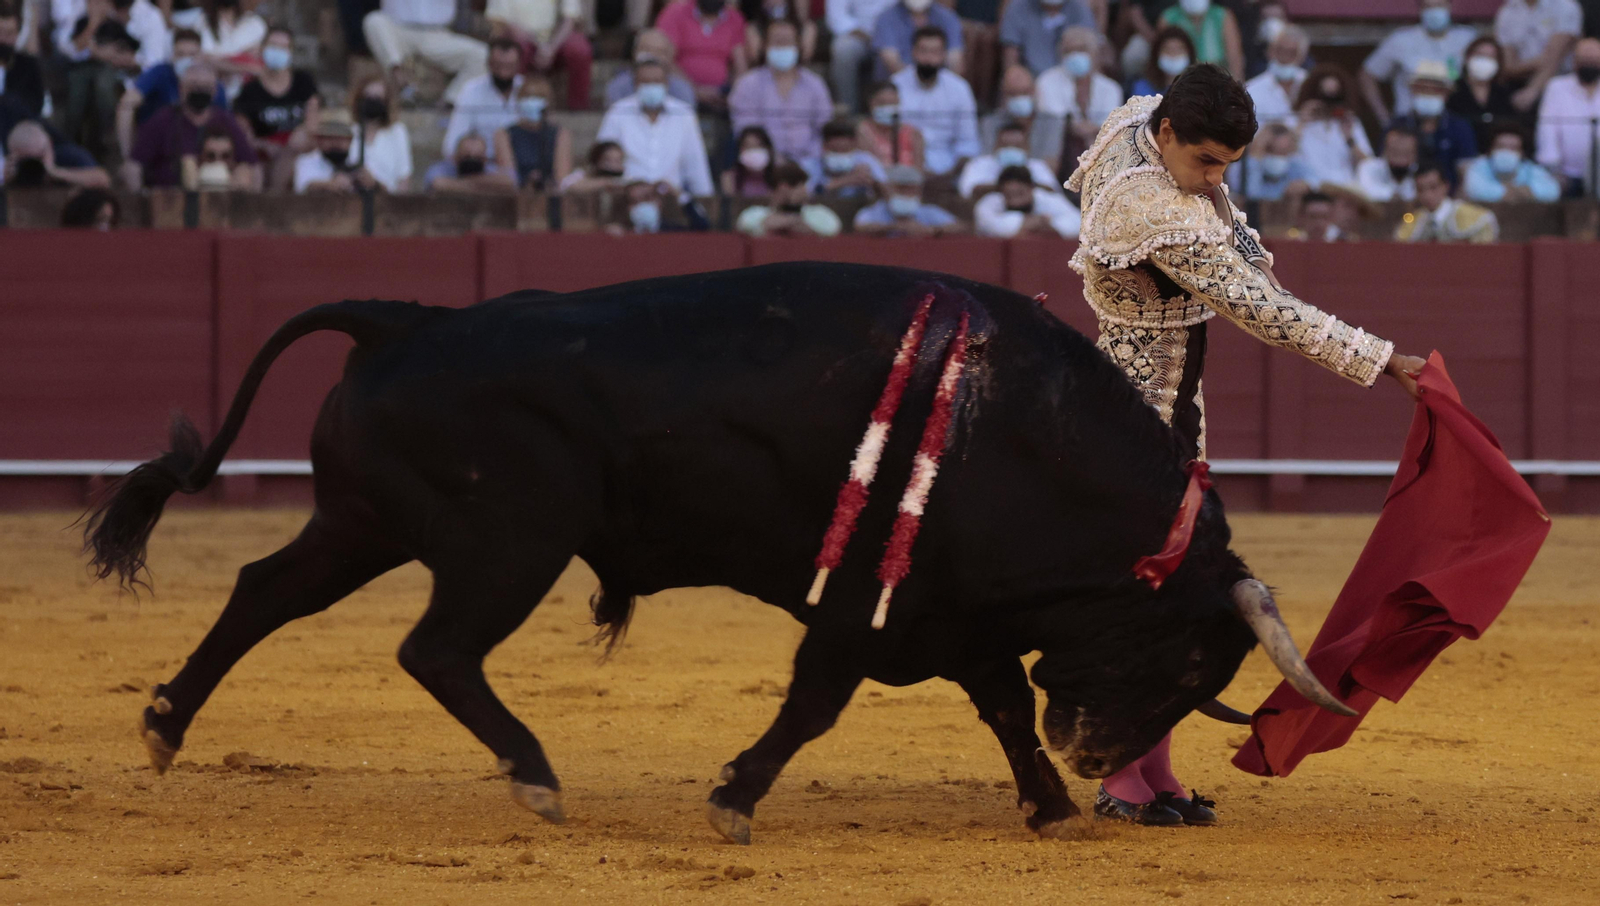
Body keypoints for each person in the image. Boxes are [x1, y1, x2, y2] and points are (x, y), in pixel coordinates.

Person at [1066, 66, 1426, 826]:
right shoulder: (1150, 208)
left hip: (1161, 408)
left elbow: (1239, 264)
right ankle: (1120, 777)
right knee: (1145, 596)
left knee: (1171, 591)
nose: (1214, 181)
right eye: (1204, 162)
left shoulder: (1138, 123)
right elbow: (1262, 308)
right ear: (1167, 136)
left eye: (1227, 166)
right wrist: (1382, 357)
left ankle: (1152, 772)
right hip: (1141, 420)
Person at [124, 61, 259, 189]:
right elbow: (134, 164)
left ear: (215, 91)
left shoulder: (226, 121)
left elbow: (252, 165)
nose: (199, 91)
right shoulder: (163, 119)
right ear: (181, 89)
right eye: (194, 86)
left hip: (218, 200)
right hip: (169, 200)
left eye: (205, 87)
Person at [596, 57, 715, 195]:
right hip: (627, 198)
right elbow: (602, 160)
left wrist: (705, 201)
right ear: (635, 84)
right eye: (645, 82)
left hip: (671, 199)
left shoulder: (683, 114)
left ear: (666, 83)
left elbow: (696, 166)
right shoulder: (618, 112)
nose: (651, 86)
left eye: (657, 82)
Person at [729, 17, 832, 163]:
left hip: (810, 162)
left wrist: (809, 160)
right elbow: (745, 130)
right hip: (764, 164)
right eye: (777, 41)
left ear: (798, 45)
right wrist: (773, 159)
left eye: (788, 41)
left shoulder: (815, 84)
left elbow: (824, 127)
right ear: (765, 46)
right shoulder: (747, 84)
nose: (783, 46)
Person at [232, 25, 320, 191]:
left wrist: (292, 145)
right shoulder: (250, 89)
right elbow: (242, 132)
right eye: (273, 46)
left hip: (297, 150)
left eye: (283, 47)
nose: (277, 51)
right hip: (264, 153)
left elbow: (312, 123)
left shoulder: (303, 82)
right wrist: (263, 145)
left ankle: (274, 198)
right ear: (263, 48)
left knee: (293, 148)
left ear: (291, 52)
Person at [1359, 0, 1476, 124]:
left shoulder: (1467, 38)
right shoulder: (1401, 39)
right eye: (1428, 6)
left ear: (1450, 6)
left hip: (1454, 124)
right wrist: (1384, 118)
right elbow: (1367, 74)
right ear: (1420, 9)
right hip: (1408, 125)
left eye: (1439, 5)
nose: (1434, 12)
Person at [889, 26, 979, 176]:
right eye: (923, 51)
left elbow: (968, 140)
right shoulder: (896, 85)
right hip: (904, 163)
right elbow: (888, 134)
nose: (928, 59)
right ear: (913, 52)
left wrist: (951, 173)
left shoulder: (959, 88)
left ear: (944, 55)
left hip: (948, 164)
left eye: (935, 52)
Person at [362, 0, 489, 104]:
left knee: (483, 55)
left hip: (438, 34)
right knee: (374, 21)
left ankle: (450, 102)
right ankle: (402, 83)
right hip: (397, 28)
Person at [1036, 27, 1124, 163]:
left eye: (1081, 49)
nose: (1075, 55)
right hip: (1062, 145)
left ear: (1094, 54)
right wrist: (1082, 129)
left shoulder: (1111, 88)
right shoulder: (1046, 80)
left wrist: (1090, 132)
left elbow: (1111, 121)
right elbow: (1055, 117)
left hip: (1099, 142)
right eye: (1069, 51)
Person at [485, 0, 592, 109]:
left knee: (580, 50)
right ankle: (514, 107)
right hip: (519, 39)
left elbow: (570, 19)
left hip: (554, 40)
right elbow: (504, 22)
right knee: (517, 50)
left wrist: (551, 47)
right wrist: (539, 46)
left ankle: (578, 108)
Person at [1389, 60, 1477, 192]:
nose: (1429, 94)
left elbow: (1466, 174)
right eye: (1423, 89)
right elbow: (1384, 167)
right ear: (1413, 91)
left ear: (1446, 94)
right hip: (1406, 198)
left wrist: (1454, 207)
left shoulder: (1460, 127)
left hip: (1450, 200)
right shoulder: (1396, 125)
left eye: (1435, 90)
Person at [1535, 36, 1600, 197]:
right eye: (1584, 59)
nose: (1589, 64)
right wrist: (1552, 168)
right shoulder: (1557, 87)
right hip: (1565, 174)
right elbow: (1547, 127)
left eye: (1594, 60)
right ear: (1574, 62)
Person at [442, 39, 525, 160]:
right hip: (482, 165)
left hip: (521, 163)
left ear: (518, 65)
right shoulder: (471, 90)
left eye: (509, 66)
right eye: (498, 66)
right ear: (488, 63)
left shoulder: (528, 89)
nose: (503, 73)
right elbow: (452, 143)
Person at [655, 0, 747, 107]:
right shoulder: (675, 13)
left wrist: (734, 93)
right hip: (678, 93)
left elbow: (740, 65)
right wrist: (693, 89)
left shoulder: (735, 18)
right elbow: (665, 58)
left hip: (720, 96)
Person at [1292, 65, 1371, 189]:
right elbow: (1285, 155)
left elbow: (1368, 164)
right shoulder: (1297, 122)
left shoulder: (1351, 123)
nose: (1327, 106)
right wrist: (1301, 124)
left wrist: (1349, 139)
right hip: (1310, 187)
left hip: (1344, 188)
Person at [1496, 0, 1583, 111]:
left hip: (1559, 80)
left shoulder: (1565, 6)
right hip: (1518, 80)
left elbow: (1556, 55)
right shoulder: (1508, 10)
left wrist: (1533, 90)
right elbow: (1507, 64)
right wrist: (1541, 61)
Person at [1448, 37, 1533, 152]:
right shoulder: (1452, 91)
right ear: (1467, 57)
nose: (1484, 60)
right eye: (1480, 55)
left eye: (1491, 57)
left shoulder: (1506, 95)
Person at [493, 76, 571, 192]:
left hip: (551, 194)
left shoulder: (560, 134)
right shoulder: (504, 134)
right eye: (528, 97)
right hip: (517, 196)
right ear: (519, 100)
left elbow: (563, 179)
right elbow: (508, 176)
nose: (532, 101)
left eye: (538, 97)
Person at [1396, 161, 1499, 242]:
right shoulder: (1412, 220)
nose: (1427, 195)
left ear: (1446, 186)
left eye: (1433, 187)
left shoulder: (1477, 218)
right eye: (1420, 189)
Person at [1463, 120, 1562, 203]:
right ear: (1491, 150)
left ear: (1522, 153)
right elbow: (1473, 189)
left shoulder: (1529, 168)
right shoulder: (1480, 166)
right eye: (1501, 147)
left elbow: (1553, 191)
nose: (1506, 152)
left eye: (1513, 148)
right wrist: (1512, 192)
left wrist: (1527, 191)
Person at [736, 159, 843, 236]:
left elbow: (833, 229)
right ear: (775, 189)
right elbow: (743, 225)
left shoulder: (819, 213)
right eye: (785, 187)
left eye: (794, 185)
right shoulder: (755, 213)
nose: (789, 191)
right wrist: (767, 223)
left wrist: (802, 225)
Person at [826, 0, 898, 110]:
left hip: (892, 33)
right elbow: (837, 17)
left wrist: (884, 37)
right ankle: (848, 109)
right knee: (843, 49)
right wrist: (869, 37)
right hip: (858, 35)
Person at [957, 119, 1057, 198]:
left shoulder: (1038, 166)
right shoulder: (978, 164)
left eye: (1016, 146)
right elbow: (968, 192)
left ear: (1027, 149)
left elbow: (1051, 192)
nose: (1011, 150)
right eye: (1005, 146)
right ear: (995, 147)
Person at [973, 163, 1080, 237]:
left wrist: (1052, 226)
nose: (1015, 199)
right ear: (1001, 192)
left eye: (1020, 193)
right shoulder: (989, 203)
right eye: (1010, 194)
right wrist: (1027, 222)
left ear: (1031, 188)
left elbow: (1078, 222)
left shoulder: (1046, 198)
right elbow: (991, 226)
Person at [853, 162, 961, 234]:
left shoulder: (927, 211)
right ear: (887, 190)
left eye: (911, 190)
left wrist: (931, 230)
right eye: (901, 189)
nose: (906, 194)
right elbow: (860, 226)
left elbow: (960, 227)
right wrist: (894, 227)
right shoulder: (875, 211)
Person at [348, 75, 413, 193]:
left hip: (387, 201)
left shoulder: (397, 132)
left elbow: (404, 179)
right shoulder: (351, 132)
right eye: (368, 97)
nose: (372, 102)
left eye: (377, 98)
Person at [2, 118, 110, 188]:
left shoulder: (69, 155)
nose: (35, 164)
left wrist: (56, 172)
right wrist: (7, 181)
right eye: (28, 159)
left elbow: (103, 180)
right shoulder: (14, 170)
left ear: (50, 144)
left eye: (39, 157)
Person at [998, 0, 1093, 76]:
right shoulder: (1018, 6)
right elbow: (1010, 57)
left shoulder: (1079, 7)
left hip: (1071, 78)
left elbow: (1093, 51)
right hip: (1030, 80)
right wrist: (1015, 78)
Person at [873, 0, 963, 80]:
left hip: (939, 85)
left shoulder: (948, 18)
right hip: (897, 88)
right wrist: (918, 87)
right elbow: (891, 62)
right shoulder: (885, 19)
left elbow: (955, 62)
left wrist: (939, 87)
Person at [604, 30, 697, 107]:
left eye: (660, 52)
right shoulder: (618, 88)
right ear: (634, 53)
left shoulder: (682, 90)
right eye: (646, 50)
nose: (652, 56)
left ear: (670, 58)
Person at [1156, 0, 1242, 80]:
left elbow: (1235, 60)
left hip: (1219, 81)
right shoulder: (1168, 18)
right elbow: (1158, 56)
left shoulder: (1222, 15)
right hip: (1181, 82)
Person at [295, 112, 378, 193]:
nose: (335, 142)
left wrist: (373, 184)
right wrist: (330, 185)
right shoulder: (306, 161)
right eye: (330, 137)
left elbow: (386, 189)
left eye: (341, 138)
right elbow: (304, 187)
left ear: (350, 140)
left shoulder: (359, 161)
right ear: (319, 139)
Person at [1244, 22, 1307, 128]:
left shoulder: (1312, 85)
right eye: (1280, 51)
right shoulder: (1251, 90)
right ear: (1269, 52)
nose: (1285, 58)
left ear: (1302, 56)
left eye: (1292, 53)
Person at [804, 117, 885, 198]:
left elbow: (884, 185)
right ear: (824, 146)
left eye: (845, 150)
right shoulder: (810, 164)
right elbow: (806, 193)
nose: (840, 154)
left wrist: (872, 182)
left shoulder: (866, 160)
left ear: (854, 145)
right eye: (835, 150)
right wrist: (846, 180)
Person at [857, 79, 924, 168]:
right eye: (882, 103)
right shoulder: (862, 131)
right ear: (870, 103)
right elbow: (868, 166)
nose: (888, 108)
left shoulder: (913, 133)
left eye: (892, 103)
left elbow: (919, 171)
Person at [1240, 121, 1311, 202]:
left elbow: (1315, 182)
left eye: (1283, 152)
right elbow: (1251, 193)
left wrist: (1305, 186)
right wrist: (1255, 159)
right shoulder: (1244, 165)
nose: (1277, 157)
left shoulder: (1295, 165)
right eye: (1271, 151)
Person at [426, 132, 517, 194]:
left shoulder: (489, 169)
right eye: (467, 156)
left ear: (485, 159)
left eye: (477, 157)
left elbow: (509, 181)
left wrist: (460, 184)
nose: (472, 159)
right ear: (455, 158)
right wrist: (484, 185)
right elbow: (437, 184)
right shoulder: (442, 168)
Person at [0, 1, 46, 117]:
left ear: (17, 35)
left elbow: (36, 104)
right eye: (0, 33)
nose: (4, 39)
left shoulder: (28, 67)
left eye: (9, 33)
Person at [1355, 125, 1419, 203]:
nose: (1400, 159)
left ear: (1415, 155)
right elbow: (1366, 193)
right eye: (1395, 152)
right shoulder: (1367, 167)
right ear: (1385, 151)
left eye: (1406, 153)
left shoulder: (1419, 173)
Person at [744, 0, 816, 66]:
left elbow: (805, 56)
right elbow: (756, 57)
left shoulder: (806, 28)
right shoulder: (753, 28)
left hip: (797, 71)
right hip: (763, 71)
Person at [1131, 26, 1195, 97]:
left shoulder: (1199, 88)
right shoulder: (1142, 87)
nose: (1173, 55)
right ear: (1157, 55)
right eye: (1168, 50)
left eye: (1179, 49)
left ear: (1190, 54)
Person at [722, 124, 776, 197]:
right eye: (748, 146)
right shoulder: (730, 178)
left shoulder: (778, 176)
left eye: (758, 146)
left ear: (768, 149)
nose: (753, 152)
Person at [558, 139, 626, 194]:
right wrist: (605, 183)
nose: (613, 165)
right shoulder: (580, 175)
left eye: (617, 161)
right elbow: (567, 186)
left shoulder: (623, 181)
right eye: (608, 160)